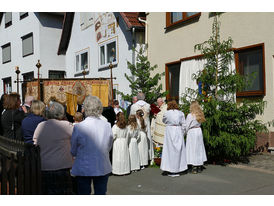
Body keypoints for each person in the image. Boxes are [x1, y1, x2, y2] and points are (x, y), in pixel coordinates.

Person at [71, 95, 113, 195]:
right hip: (101, 164)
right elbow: (109, 145)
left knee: (84, 193)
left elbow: (73, 149)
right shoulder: (106, 125)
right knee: (100, 193)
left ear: (85, 108)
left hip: (84, 165)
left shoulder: (79, 127)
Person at [33, 101, 74, 194]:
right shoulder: (66, 125)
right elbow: (76, 140)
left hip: (44, 166)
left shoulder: (41, 125)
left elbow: (35, 142)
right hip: (62, 167)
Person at [160, 100, 188, 177]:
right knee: (178, 151)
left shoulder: (167, 113)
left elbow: (164, 120)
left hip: (169, 131)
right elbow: (184, 124)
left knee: (169, 151)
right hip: (178, 130)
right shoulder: (180, 113)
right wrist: (182, 132)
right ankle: (179, 168)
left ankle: (170, 169)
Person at [130, 92, 153, 162]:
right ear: (144, 97)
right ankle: (149, 157)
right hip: (146, 126)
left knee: (139, 142)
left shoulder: (134, 106)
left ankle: (139, 159)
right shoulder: (148, 105)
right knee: (147, 140)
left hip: (137, 126)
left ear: (137, 98)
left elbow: (131, 116)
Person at [185, 101, 207, 174]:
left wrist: (184, 133)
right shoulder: (200, 114)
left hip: (192, 132)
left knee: (192, 148)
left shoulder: (190, 115)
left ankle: (194, 166)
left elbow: (187, 126)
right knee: (199, 148)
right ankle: (199, 165)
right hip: (198, 131)